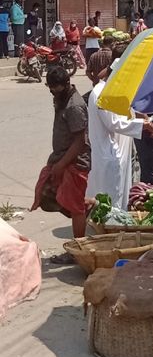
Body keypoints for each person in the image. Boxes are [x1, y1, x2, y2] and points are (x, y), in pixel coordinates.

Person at [86, 55, 153, 210]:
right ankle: (111, 228)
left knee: (115, 192)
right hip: (108, 153)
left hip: (113, 150)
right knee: (111, 197)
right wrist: (145, 125)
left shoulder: (106, 90)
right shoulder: (102, 94)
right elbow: (115, 123)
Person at [31, 66, 91, 239]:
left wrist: (61, 164)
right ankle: (86, 207)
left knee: (74, 206)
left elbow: (80, 141)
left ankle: (79, 246)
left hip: (75, 162)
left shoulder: (74, 106)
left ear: (66, 84)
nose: (53, 91)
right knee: (48, 195)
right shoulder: (60, 99)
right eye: (50, 88)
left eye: (56, 88)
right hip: (60, 159)